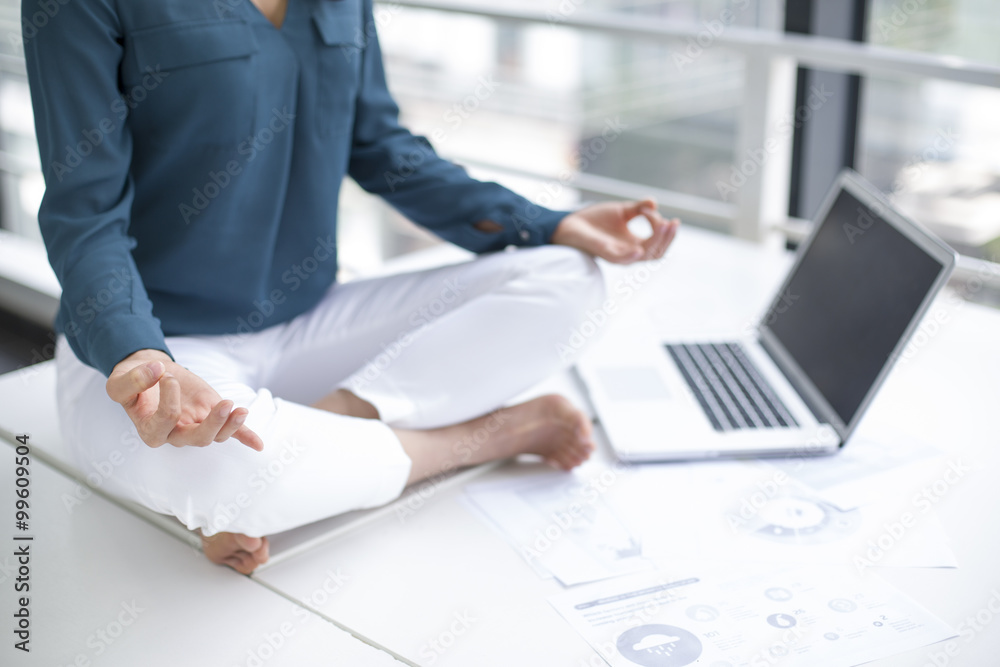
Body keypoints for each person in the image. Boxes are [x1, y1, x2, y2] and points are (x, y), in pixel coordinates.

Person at [23, 0, 679, 574]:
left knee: (574, 275)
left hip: (311, 321)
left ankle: (316, 439)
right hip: (162, 351)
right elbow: (86, 214)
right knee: (231, 473)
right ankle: (497, 433)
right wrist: (143, 357)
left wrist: (550, 223)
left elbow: (381, 147)